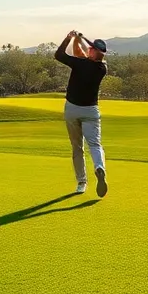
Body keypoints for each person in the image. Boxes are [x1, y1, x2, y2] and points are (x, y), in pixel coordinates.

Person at [54, 31, 109, 197]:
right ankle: (99, 167)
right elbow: (82, 52)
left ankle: (81, 182)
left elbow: (59, 54)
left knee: (77, 147)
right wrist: (79, 39)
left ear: (92, 52)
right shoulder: (102, 68)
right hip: (91, 111)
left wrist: (70, 38)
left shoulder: (80, 63)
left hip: (72, 109)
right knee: (95, 144)